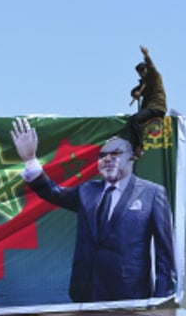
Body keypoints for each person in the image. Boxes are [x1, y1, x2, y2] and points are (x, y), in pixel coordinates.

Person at [11, 118, 176, 303]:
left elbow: (165, 255)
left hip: (131, 294)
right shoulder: (87, 191)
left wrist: (162, 300)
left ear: (131, 158)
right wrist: (30, 159)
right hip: (86, 294)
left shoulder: (152, 193)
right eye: (102, 155)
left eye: (115, 154)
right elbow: (53, 193)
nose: (107, 159)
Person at [127, 45, 167, 157]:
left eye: (143, 71)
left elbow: (152, 67)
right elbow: (134, 91)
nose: (141, 73)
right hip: (149, 107)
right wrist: (135, 93)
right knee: (132, 121)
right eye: (139, 72)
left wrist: (146, 55)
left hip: (157, 106)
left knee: (136, 119)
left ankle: (139, 147)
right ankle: (135, 148)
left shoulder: (154, 76)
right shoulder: (143, 83)